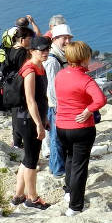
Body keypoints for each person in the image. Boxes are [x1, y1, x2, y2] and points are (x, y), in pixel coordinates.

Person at [54, 41, 107, 216]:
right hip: (81, 127)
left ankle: (68, 192)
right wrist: (88, 110)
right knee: (79, 167)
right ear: (84, 58)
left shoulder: (60, 75)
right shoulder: (85, 79)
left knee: (69, 159)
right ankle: (75, 207)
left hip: (62, 126)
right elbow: (100, 99)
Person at [11, 35, 53, 210]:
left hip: (29, 119)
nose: (45, 52)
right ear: (31, 51)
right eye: (41, 50)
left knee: (27, 158)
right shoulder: (30, 70)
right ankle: (32, 198)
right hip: (28, 121)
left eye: (47, 49)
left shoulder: (39, 66)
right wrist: (39, 124)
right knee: (31, 161)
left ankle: (19, 195)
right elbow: (30, 100)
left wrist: (44, 119)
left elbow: (40, 98)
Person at [44, 23, 73, 177]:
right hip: (55, 105)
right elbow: (52, 87)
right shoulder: (52, 60)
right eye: (64, 38)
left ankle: (56, 166)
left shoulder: (58, 56)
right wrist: (59, 105)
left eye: (69, 38)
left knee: (58, 137)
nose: (67, 41)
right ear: (55, 39)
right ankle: (57, 168)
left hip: (56, 104)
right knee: (56, 138)